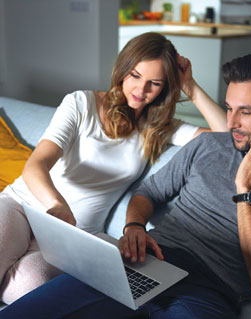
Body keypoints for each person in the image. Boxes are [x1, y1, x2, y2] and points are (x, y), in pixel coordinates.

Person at [0, 53, 251, 319]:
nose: (231, 124)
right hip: (144, 262)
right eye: (229, 109)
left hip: (211, 289)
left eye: (245, 112)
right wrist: (133, 226)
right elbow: (149, 192)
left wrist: (246, 190)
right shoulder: (208, 147)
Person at [0, 32, 227, 305]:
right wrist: (57, 205)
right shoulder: (81, 103)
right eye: (134, 75)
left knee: (32, 287)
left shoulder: (159, 129)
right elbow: (36, 165)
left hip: (75, 238)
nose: (141, 90)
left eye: (154, 83)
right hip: (23, 208)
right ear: (122, 70)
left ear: (166, 87)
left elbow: (224, 138)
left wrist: (189, 86)